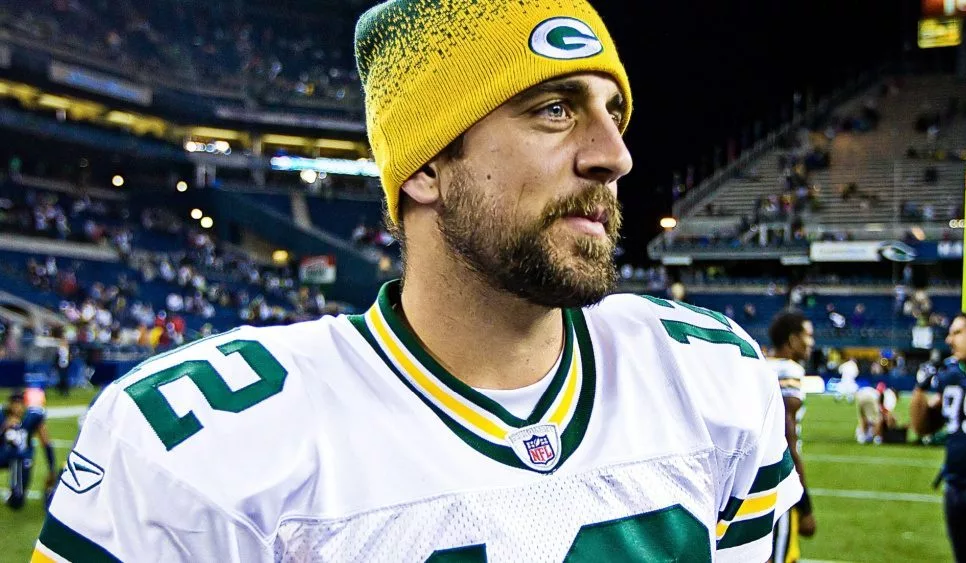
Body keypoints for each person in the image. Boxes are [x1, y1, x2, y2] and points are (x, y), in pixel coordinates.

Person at [36, 2, 800, 561]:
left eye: (614, 113)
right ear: (426, 166)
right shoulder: (198, 445)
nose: (614, 155)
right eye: (554, 109)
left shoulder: (711, 378)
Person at [911, 311, 966, 563]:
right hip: (957, 486)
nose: (949, 340)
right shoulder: (953, 377)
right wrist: (920, 388)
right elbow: (922, 427)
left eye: (958, 333)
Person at [767, 311, 817, 563]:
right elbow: (786, 440)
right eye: (807, 335)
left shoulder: (761, 363)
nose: (811, 342)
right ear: (792, 339)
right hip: (778, 478)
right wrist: (804, 502)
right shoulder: (789, 369)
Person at [0, 388, 56, 509]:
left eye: (20, 404)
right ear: (9, 404)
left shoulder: (33, 417)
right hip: (2, 454)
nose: (17, 407)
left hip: (21, 460)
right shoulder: (2, 416)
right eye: (14, 403)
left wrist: (51, 469)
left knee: (17, 502)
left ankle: (15, 493)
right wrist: (4, 428)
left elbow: (46, 443)